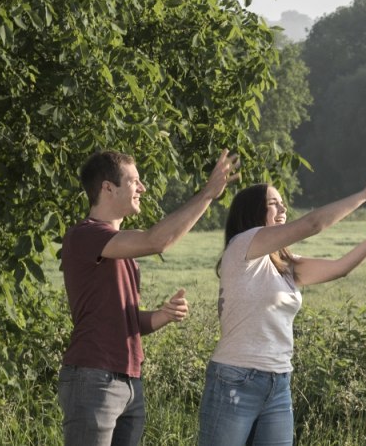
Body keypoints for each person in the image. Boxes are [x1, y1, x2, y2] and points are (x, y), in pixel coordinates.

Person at [197, 177, 366, 446]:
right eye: (273, 204)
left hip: (278, 381)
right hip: (236, 379)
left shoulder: (285, 266)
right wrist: (364, 195)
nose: (283, 210)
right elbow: (313, 224)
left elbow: (341, 268)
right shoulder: (242, 246)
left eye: (283, 203)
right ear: (252, 211)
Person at [59, 149, 239, 446]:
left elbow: (123, 319)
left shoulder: (120, 250)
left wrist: (161, 316)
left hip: (129, 380)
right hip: (93, 377)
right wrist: (208, 193)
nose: (142, 188)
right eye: (134, 181)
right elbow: (157, 240)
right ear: (107, 187)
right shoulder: (85, 235)